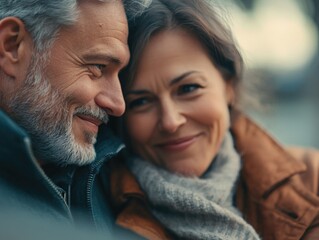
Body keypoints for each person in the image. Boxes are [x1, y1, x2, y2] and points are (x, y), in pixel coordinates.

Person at [109, 0, 319, 239]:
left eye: (188, 88)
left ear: (229, 86)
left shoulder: (311, 180)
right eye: (141, 102)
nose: (171, 121)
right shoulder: (99, 213)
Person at [0, 0, 149, 239]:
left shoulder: (115, 172)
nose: (118, 104)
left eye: (119, 74)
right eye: (98, 67)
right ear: (12, 46)